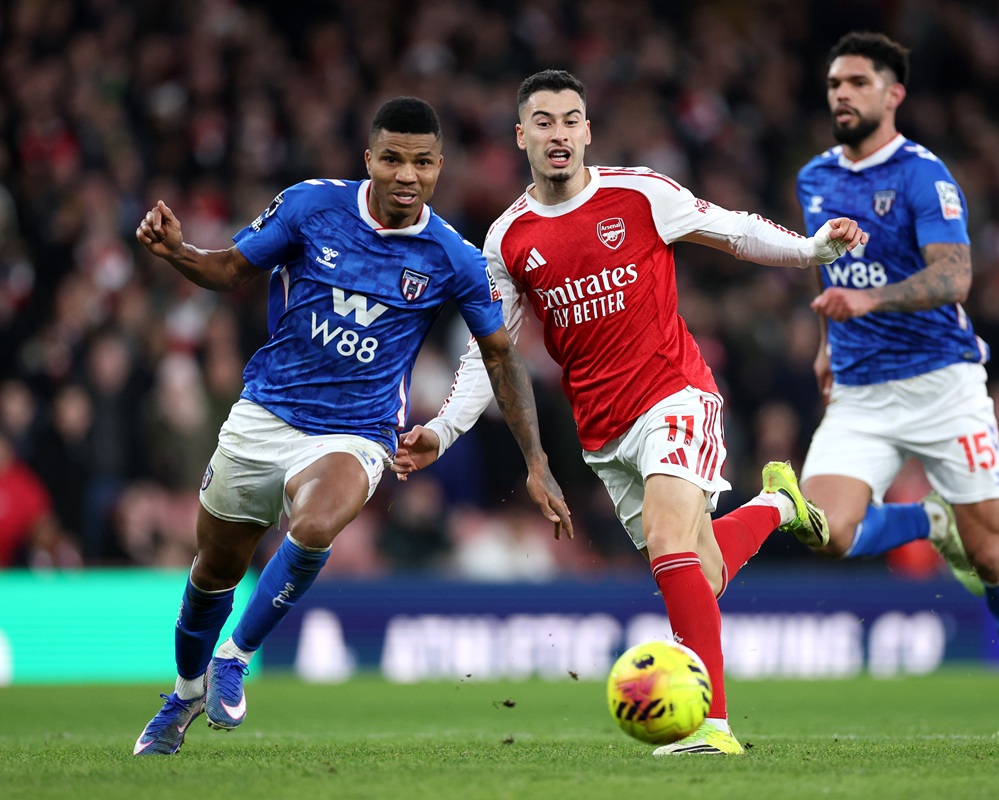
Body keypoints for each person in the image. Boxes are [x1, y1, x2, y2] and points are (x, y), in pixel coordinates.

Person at [391, 69, 868, 756]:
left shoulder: (641, 193)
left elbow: (734, 231)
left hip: (675, 395)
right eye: (544, 122)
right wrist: (442, 429)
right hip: (604, 432)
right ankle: (777, 505)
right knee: (701, 574)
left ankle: (712, 727)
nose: (559, 134)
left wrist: (813, 249)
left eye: (571, 120)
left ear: (587, 130)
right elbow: (490, 351)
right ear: (522, 136)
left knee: (672, 544)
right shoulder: (508, 239)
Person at [131, 97, 572, 756]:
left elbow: (501, 358)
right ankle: (185, 692)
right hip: (266, 412)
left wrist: (535, 461)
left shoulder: (453, 256)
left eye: (421, 162)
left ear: (439, 167)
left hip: (357, 432)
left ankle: (235, 656)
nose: (406, 175)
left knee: (315, 524)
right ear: (369, 158)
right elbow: (230, 269)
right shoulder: (311, 206)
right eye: (392, 158)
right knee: (213, 570)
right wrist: (177, 252)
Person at [795, 32, 999, 736]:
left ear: (893, 94)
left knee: (994, 554)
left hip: (942, 384)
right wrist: (826, 344)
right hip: (860, 391)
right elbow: (830, 269)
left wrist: (870, 302)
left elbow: (955, 275)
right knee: (824, 530)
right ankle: (929, 522)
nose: (842, 94)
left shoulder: (922, 175)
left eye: (858, 82)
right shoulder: (814, 178)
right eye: (834, 83)